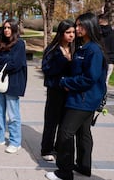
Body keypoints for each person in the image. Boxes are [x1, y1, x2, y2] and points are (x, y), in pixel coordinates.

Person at [46, 13, 107, 180]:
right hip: (82, 98)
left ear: (91, 27)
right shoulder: (84, 47)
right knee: (83, 133)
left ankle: (64, 172)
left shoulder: (92, 49)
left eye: (81, 26)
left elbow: (90, 78)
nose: (77, 29)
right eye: (77, 25)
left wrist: (66, 82)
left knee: (65, 133)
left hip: (83, 100)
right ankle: (83, 166)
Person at [0, 18, 27, 154]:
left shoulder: (20, 44)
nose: (6, 30)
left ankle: (15, 142)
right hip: (0, 82)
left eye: (9, 28)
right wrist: (6, 60)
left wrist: (3, 62)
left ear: (14, 29)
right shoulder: (1, 43)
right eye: (5, 28)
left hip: (13, 82)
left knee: (12, 114)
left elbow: (16, 63)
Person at [40, 20, 75, 162]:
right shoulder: (53, 49)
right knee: (51, 121)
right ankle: (46, 149)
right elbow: (47, 69)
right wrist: (64, 61)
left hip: (70, 90)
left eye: (73, 32)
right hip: (55, 90)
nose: (71, 35)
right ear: (61, 33)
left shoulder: (75, 49)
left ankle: (59, 147)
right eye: (68, 32)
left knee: (65, 122)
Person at [98, 13, 114, 86]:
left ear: (100, 21)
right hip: (110, 60)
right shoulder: (112, 33)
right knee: (105, 82)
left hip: (98, 58)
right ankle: (104, 95)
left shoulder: (96, 33)